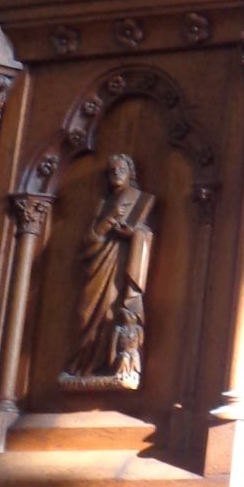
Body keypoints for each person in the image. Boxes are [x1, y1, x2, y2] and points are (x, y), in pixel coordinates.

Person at [59, 154, 157, 390]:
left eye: (120, 169)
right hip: (98, 266)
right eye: (111, 170)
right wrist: (103, 227)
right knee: (85, 313)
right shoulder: (102, 205)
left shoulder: (140, 200)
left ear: (130, 172)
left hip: (121, 267)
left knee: (111, 314)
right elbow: (89, 240)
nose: (116, 173)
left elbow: (145, 234)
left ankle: (113, 365)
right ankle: (84, 365)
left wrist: (132, 234)